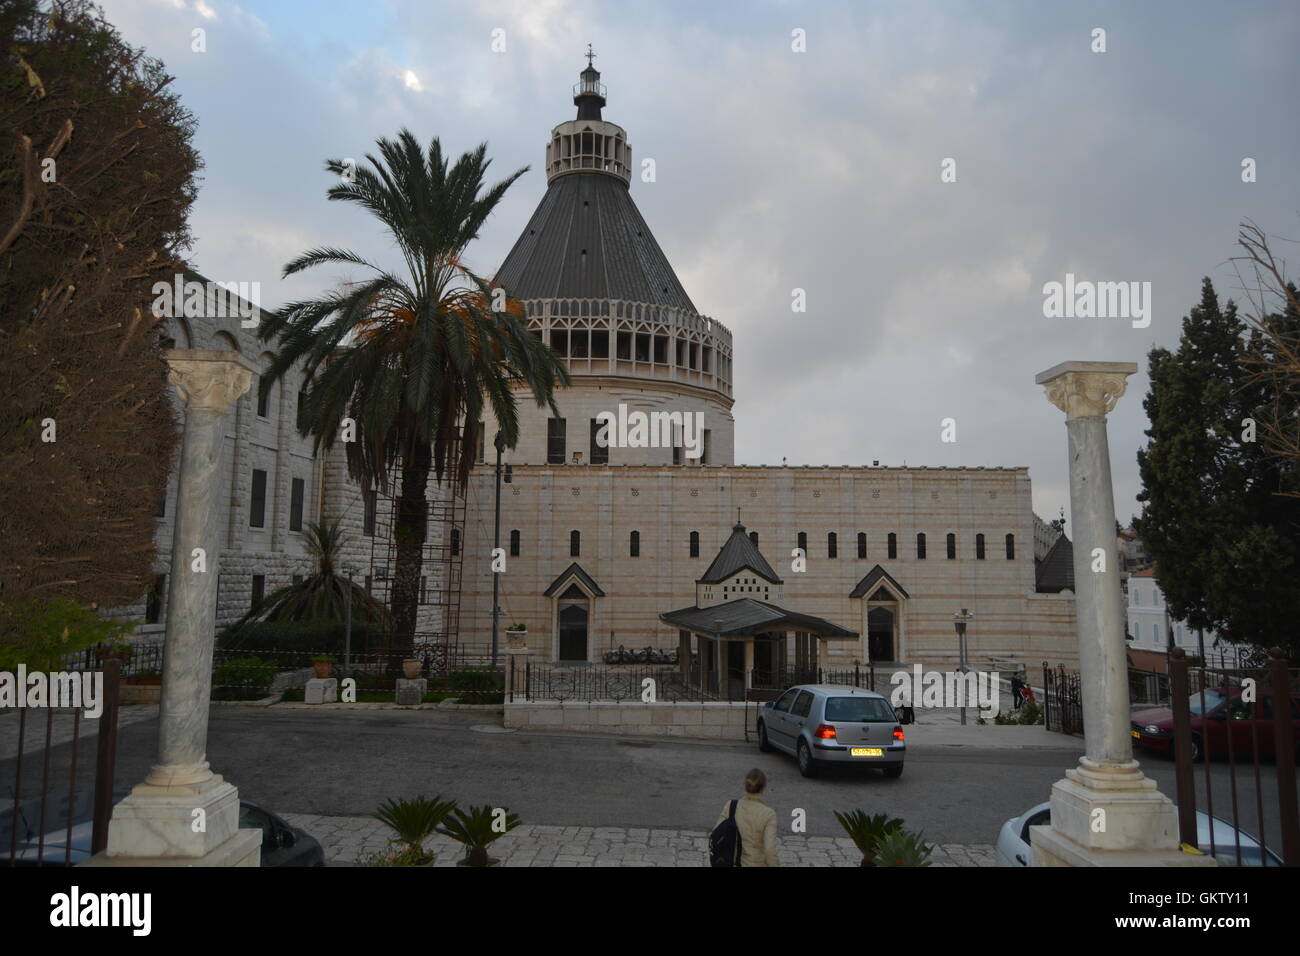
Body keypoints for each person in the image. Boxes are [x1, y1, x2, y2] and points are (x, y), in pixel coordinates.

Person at [717, 768, 780, 867]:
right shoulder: (769, 814)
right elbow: (769, 849)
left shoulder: (731, 806)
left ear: (745, 785)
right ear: (763, 788)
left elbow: (717, 834)